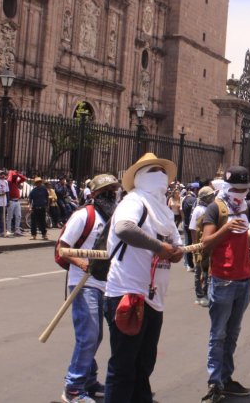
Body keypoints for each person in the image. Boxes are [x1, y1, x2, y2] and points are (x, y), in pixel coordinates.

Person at [103, 153, 184, 403]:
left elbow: (177, 246)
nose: (159, 176)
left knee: (144, 365)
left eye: (162, 170)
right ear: (138, 177)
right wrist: (160, 248)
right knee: (124, 366)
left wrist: (175, 253)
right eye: (152, 171)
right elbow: (124, 228)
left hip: (154, 299)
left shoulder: (165, 212)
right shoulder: (134, 201)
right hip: (128, 293)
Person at [200, 166, 250, 402]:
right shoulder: (216, 208)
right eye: (236, 188)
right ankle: (214, 382)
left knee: (233, 334)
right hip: (223, 279)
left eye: (244, 189)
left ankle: (226, 378)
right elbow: (206, 242)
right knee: (218, 334)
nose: (240, 192)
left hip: (244, 280)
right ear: (226, 187)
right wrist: (226, 228)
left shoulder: (246, 206)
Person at [59, 173, 120, 403]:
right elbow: (63, 248)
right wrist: (82, 262)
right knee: (88, 336)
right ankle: (73, 387)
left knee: (96, 337)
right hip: (83, 284)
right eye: (105, 191)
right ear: (94, 195)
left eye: (113, 190)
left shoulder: (114, 218)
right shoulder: (84, 215)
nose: (110, 194)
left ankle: (88, 379)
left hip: (106, 283)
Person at [189, 186, 215, 306]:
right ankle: (200, 295)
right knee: (199, 270)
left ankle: (205, 292)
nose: (213, 197)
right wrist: (195, 246)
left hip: (207, 244)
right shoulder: (199, 210)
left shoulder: (208, 209)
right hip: (200, 244)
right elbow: (193, 229)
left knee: (206, 270)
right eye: (211, 196)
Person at [6, 169, 27, 236]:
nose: (15, 177)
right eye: (14, 176)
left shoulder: (16, 182)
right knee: (10, 216)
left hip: (17, 201)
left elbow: (24, 179)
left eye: (15, 176)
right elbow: (9, 180)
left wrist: (17, 174)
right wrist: (11, 173)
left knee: (18, 216)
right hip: (11, 201)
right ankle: (8, 230)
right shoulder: (9, 182)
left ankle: (17, 230)